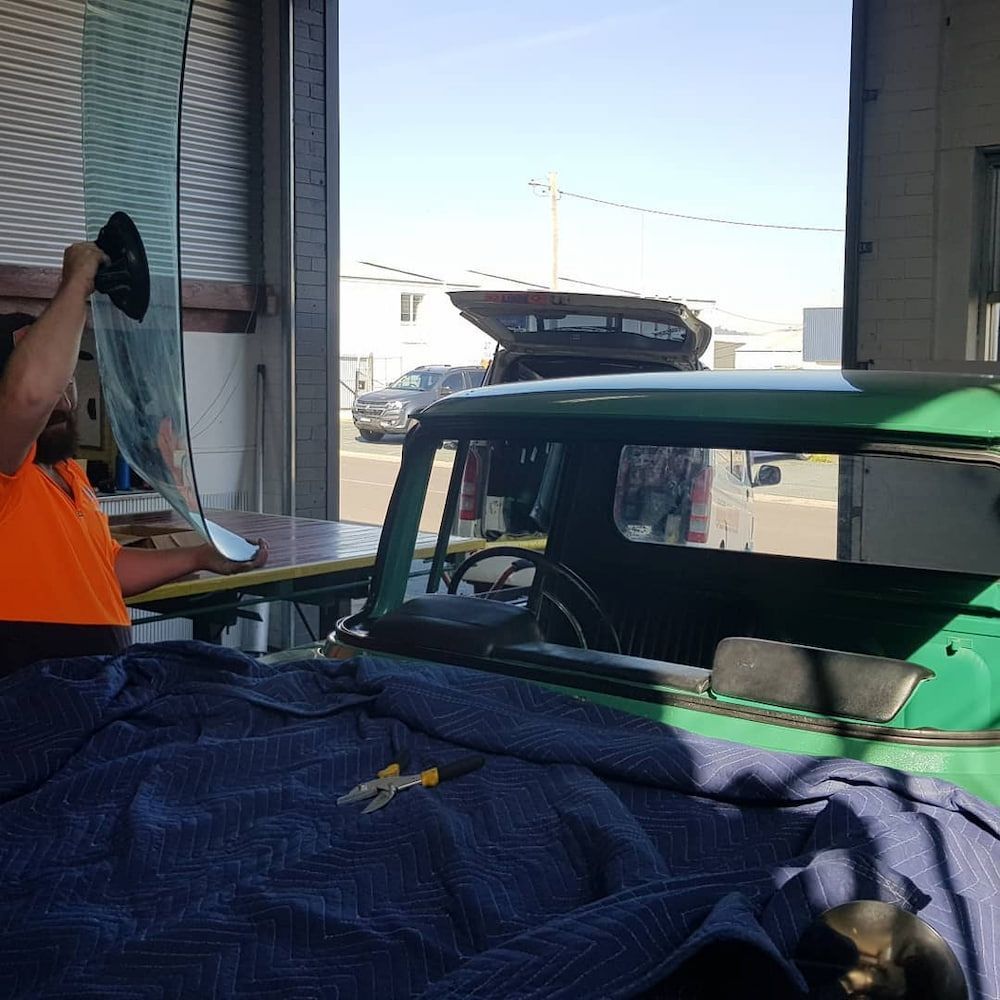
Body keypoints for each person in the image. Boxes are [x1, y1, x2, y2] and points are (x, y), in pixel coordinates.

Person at [0, 242, 268, 675]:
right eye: (53, 383)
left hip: (103, 677)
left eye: (67, 379)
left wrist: (199, 557)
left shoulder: (68, 473)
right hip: (36, 689)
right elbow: (30, 394)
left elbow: (107, 567)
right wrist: (76, 284)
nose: (64, 397)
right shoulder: (6, 473)